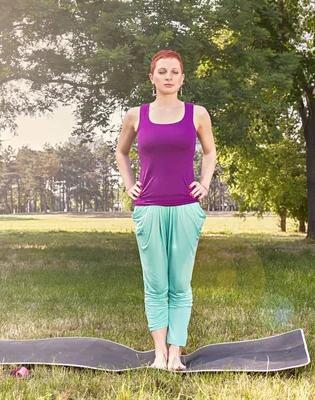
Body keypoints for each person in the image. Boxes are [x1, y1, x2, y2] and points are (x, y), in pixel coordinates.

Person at [115, 49, 217, 371]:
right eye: (162, 71)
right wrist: (129, 184)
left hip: (186, 208)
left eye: (174, 72)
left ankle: (176, 351)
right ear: (152, 77)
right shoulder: (136, 115)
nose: (168, 76)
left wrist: (205, 184)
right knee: (156, 284)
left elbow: (211, 152)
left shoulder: (197, 113)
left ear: (182, 78)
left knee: (180, 284)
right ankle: (159, 352)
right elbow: (121, 152)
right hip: (149, 208)